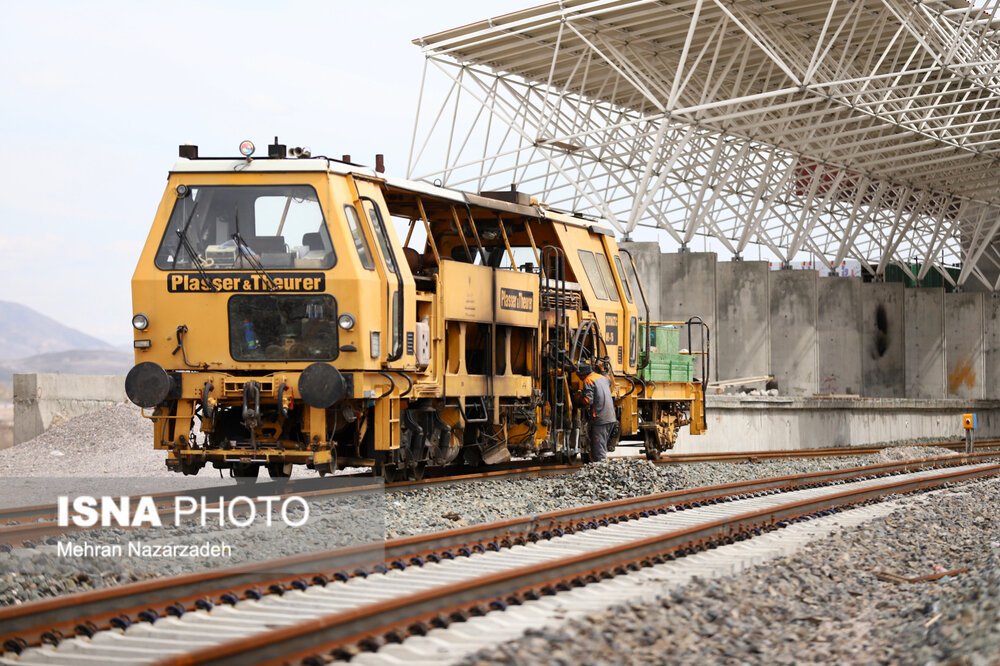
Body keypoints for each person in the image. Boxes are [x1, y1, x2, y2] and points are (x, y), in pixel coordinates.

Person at [578, 361, 617, 462]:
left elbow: (588, 400)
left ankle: (601, 472)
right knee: (600, 446)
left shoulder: (588, 380)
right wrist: (603, 370)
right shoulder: (602, 378)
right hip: (610, 417)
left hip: (600, 418)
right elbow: (610, 381)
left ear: (582, 375)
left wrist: (578, 397)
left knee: (599, 451)